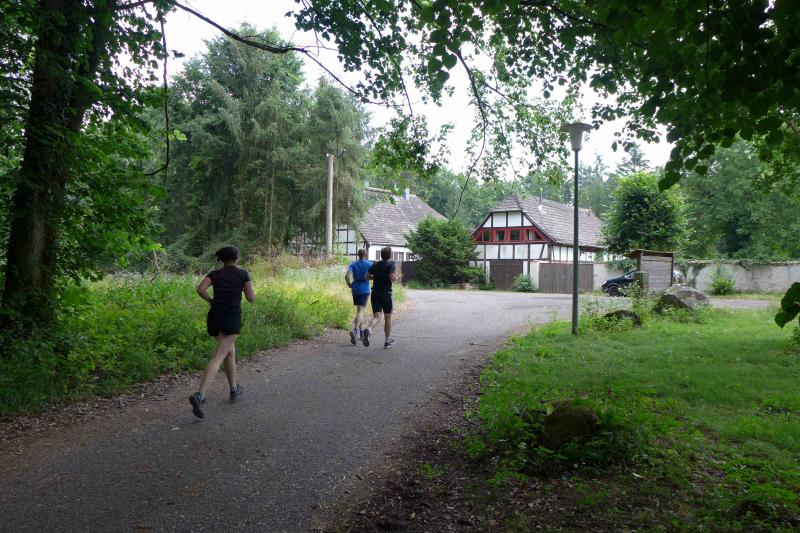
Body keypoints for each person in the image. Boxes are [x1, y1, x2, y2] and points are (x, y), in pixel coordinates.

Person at [190, 245, 255, 418]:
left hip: (215, 316)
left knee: (229, 352)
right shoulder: (243, 274)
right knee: (219, 356)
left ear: (221, 259)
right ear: (236, 257)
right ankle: (200, 395)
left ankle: (233, 389)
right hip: (231, 318)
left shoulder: (214, 274)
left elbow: (200, 289)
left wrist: (211, 300)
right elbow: (251, 298)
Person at [363, 246, 401, 349]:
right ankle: (387, 341)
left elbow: (367, 276)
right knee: (387, 317)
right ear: (390, 255)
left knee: (377, 316)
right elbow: (391, 277)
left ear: (381, 255)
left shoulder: (375, 264)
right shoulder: (391, 264)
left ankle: (369, 330)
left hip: (375, 293)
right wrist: (396, 278)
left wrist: (376, 278)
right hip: (386, 294)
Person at [345, 248, 372, 345]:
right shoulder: (369, 264)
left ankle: (361, 332)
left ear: (358, 255)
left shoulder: (353, 264)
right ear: (366, 255)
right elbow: (374, 275)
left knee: (359, 311)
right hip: (364, 289)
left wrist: (349, 284)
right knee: (361, 311)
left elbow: (347, 276)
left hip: (355, 289)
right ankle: (355, 329)